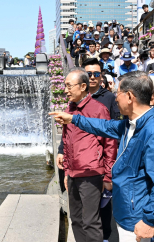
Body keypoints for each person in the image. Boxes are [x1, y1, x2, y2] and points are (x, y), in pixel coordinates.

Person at [50, 71, 154, 242]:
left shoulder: (150, 130)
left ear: (129, 96)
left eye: (117, 93)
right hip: (128, 213)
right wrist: (73, 119)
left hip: (139, 218)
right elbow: (102, 126)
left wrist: (150, 220)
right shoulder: (129, 124)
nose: (115, 98)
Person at [54, 67, 117, 242]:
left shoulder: (99, 109)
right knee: (76, 220)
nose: (66, 90)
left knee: (91, 221)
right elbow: (67, 141)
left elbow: (110, 144)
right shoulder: (70, 108)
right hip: (73, 173)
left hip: (92, 174)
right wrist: (66, 171)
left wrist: (108, 177)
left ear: (82, 86)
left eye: (69, 86)